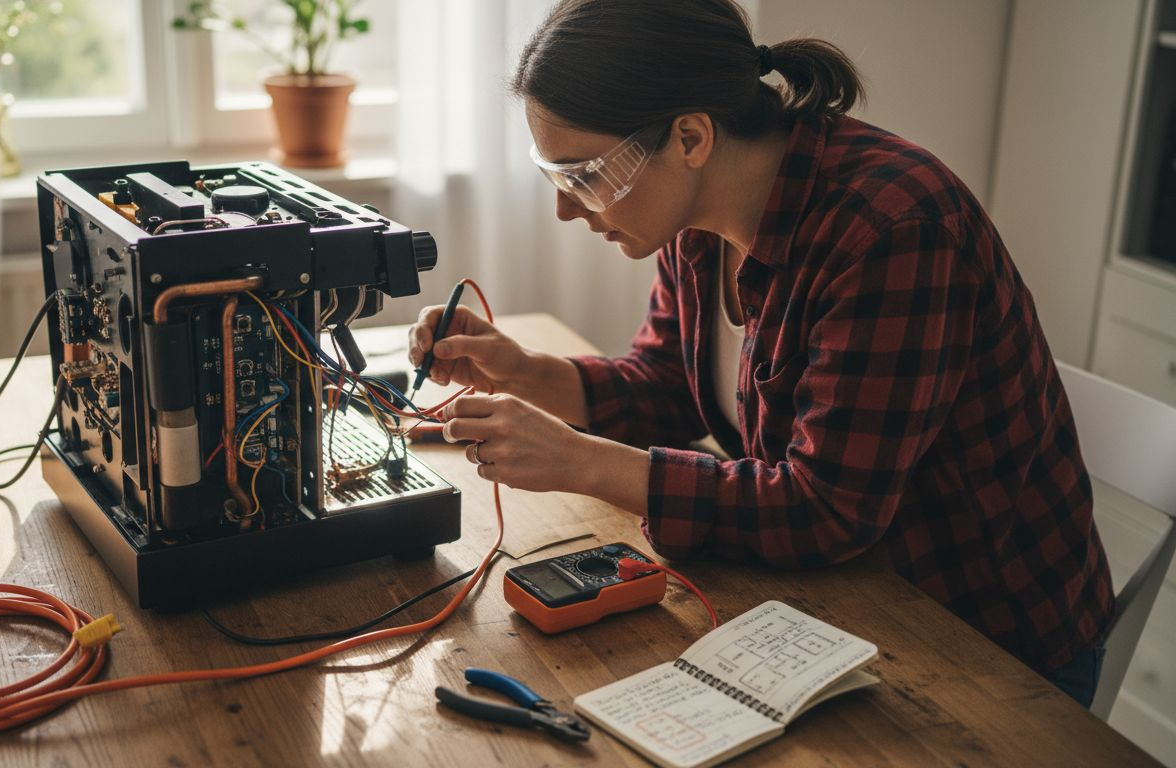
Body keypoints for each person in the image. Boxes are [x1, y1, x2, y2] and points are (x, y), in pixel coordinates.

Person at [407, 0, 1113, 708]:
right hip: (844, 605)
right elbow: (671, 386)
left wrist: (583, 461)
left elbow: (824, 509)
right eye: (552, 174)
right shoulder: (696, 218)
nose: (566, 208)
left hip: (982, 646)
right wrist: (527, 374)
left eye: (584, 174)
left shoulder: (893, 227)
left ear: (690, 137)